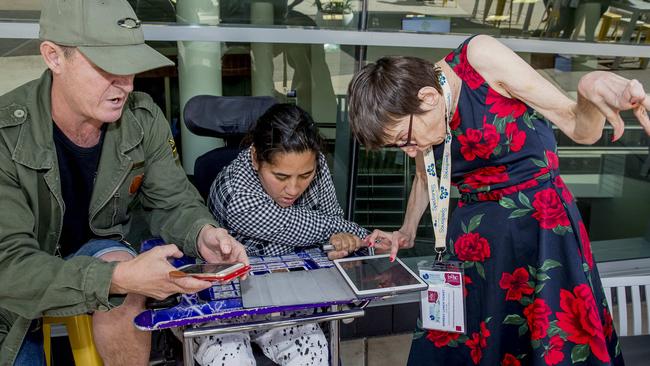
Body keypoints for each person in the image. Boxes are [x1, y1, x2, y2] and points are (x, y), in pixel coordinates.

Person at [347, 34, 650, 365]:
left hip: (542, 230)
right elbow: (425, 175)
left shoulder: (481, 58)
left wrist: (587, 92)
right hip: (475, 244)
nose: (409, 151)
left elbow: (581, 129)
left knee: (551, 343)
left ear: (429, 97)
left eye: (404, 140)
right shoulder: (422, 120)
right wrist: (405, 231)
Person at [0, 1, 248, 365]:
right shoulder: (5, 136)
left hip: (97, 257)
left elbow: (174, 201)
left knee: (124, 274)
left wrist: (202, 233)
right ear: (54, 57)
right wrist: (115, 277)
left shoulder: (142, 120)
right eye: (108, 67)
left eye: (131, 67)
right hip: (14, 297)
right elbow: (10, 267)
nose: (126, 84)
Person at [194, 103, 368, 366]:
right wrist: (356, 235)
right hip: (226, 309)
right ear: (255, 158)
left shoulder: (316, 164)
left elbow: (333, 227)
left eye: (305, 175)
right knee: (232, 360)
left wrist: (338, 240)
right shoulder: (235, 193)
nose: (293, 188)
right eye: (281, 176)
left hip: (287, 303)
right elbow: (311, 228)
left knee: (316, 352)